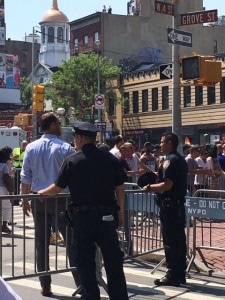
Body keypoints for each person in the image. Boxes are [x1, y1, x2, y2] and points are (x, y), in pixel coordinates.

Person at [38, 121, 129, 300]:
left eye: (74, 137)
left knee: (85, 263)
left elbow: (57, 187)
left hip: (83, 219)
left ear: (79, 138)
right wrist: (120, 213)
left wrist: (42, 193)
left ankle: (91, 297)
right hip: (107, 216)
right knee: (113, 262)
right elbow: (120, 188)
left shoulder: (72, 160)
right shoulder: (110, 159)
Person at [20, 112, 80, 297]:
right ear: (53, 125)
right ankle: (80, 281)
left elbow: (25, 176)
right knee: (71, 241)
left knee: (41, 242)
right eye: (59, 122)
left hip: (39, 198)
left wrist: (24, 199)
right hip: (62, 199)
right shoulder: (66, 148)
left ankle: (45, 284)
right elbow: (74, 177)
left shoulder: (31, 147)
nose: (61, 125)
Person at [143, 133, 188, 287]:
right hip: (177, 206)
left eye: (162, 142)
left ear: (169, 143)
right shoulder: (180, 159)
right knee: (179, 241)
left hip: (169, 207)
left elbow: (166, 185)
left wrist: (149, 188)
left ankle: (172, 274)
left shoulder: (170, 161)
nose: (160, 145)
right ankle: (180, 274)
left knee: (171, 242)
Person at [0, 149, 14, 233]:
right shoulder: (3, 166)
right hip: (2, 189)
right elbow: (6, 179)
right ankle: (4, 225)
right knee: (6, 207)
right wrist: (11, 190)